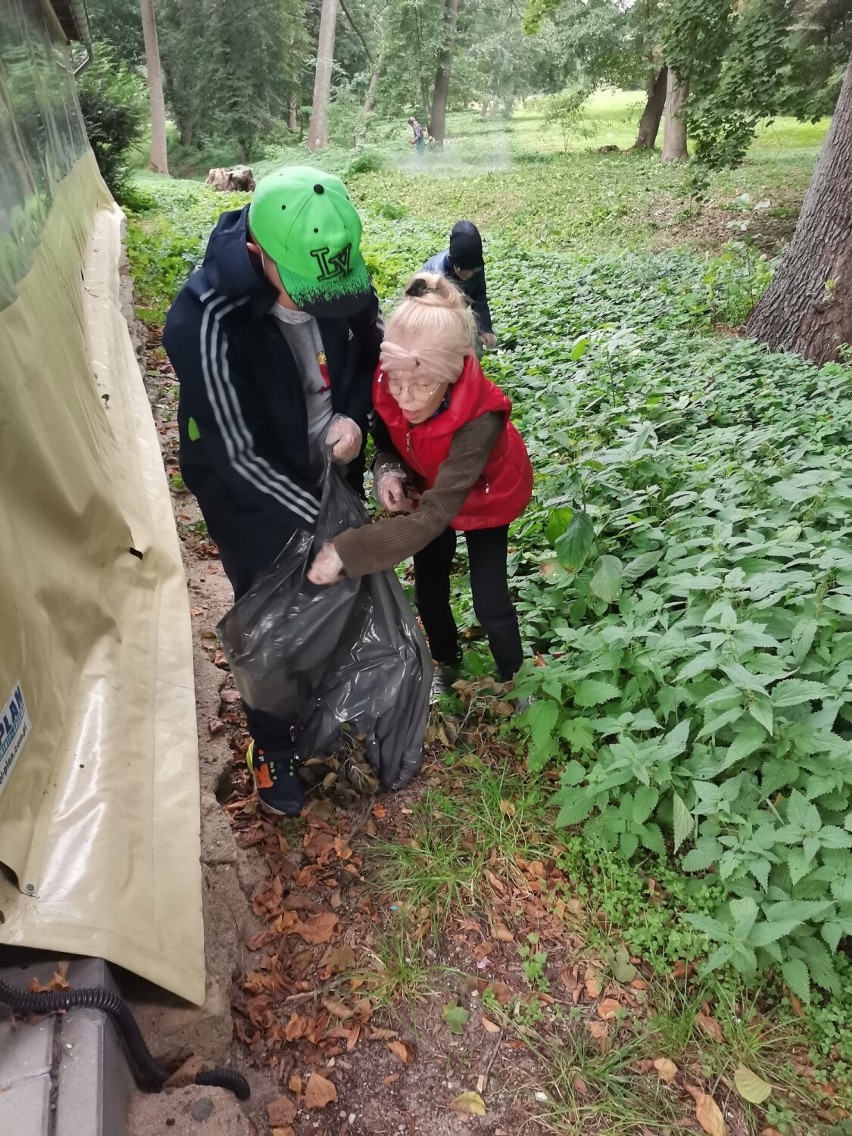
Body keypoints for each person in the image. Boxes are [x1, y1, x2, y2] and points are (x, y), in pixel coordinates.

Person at [162, 165, 383, 818]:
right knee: (270, 616)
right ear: (261, 255)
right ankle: (272, 743)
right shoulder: (206, 318)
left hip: (327, 469)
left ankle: (324, 701)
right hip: (249, 493)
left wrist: (353, 418)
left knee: (334, 593)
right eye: (307, 291)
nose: (324, 303)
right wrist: (315, 525)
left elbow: (366, 352)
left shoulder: (340, 273)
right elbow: (233, 450)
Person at [307, 272, 533, 693]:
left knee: (489, 599)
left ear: (450, 374)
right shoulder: (391, 380)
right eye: (397, 382)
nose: (405, 396)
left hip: (485, 493)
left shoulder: (478, 421)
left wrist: (350, 551)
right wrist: (387, 468)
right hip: (430, 482)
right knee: (429, 589)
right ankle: (447, 663)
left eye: (423, 385)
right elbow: (386, 439)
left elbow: (434, 516)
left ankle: (516, 680)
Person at [422, 221, 497, 351]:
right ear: (455, 265)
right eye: (466, 270)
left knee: (475, 347)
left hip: (454, 316)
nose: (471, 275)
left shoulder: (476, 268)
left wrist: (485, 329)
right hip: (428, 319)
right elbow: (433, 316)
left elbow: (479, 298)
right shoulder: (437, 275)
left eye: (474, 270)